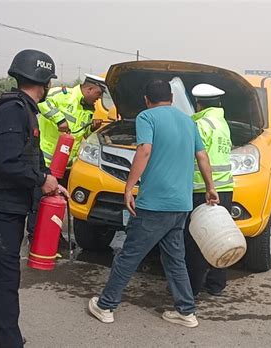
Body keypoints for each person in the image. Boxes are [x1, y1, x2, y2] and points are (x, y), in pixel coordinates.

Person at [88, 80, 219, 328]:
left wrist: (129, 187)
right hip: (181, 203)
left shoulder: (147, 117)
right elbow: (202, 156)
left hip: (155, 203)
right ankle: (186, 311)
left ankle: (106, 305)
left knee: (129, 255)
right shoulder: (188, 122)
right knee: (174, 258)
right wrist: (211, 188)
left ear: (147, 100)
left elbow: (144, 150)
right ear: (171, 97)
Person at [0, 49, 64, 348]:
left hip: (11, 205)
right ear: (43, 81)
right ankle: (9, 342)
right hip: (2, 207)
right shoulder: (14, 110)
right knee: (6, 279)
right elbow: (8, 161)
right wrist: (41, 180)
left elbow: (32, 157)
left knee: (2, 273)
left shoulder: (24, 109)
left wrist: (51, 182)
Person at [26, 74, 106, 242]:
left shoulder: (88, 109)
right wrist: (59, 119)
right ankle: (36, 237)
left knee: (58, 202)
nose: (98, 99)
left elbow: (80, 134)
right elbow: (41, 103)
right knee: (39, 203)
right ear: (89, 89)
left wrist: (92, 128)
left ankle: (53, 235)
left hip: (67, 165)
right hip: (46, 162)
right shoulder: (62, 94)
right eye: (98, 94)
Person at [185, 83, 234, 297]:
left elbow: (197, 155)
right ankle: (216, 284)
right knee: (219, 236)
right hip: (225, 187)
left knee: (196, 239)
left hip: (202, 189)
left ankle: (192, 287)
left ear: (198, 104)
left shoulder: (200, 125)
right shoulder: (222, 123)